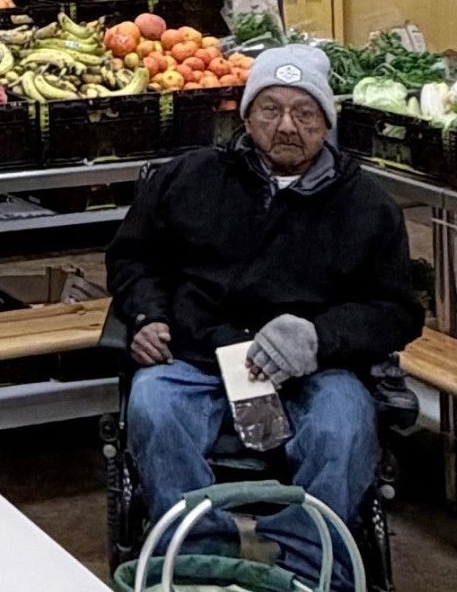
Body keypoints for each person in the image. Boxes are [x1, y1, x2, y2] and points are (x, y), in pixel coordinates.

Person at [108, 44, 421, 592]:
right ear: (246, 116)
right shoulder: (191, 177)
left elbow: (395, 311)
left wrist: (320, 336)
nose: (286, 126)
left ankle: (305, 567)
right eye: (270, 109)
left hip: (313, 370)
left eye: (304, 113)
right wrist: (146, 316)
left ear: (327, 123)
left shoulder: (367, 208)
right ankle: (198, 560)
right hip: (197, 353)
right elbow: (135, 257)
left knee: (343, 423)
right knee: (155, 405)